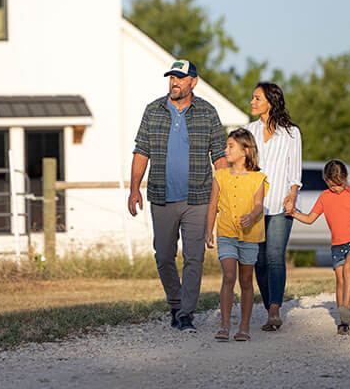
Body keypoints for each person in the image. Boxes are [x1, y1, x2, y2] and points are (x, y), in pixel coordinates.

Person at [128, 59, 228, 333]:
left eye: (180, 78)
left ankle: (185, 314)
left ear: (193, 82)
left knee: (194, 258)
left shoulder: (208, 112)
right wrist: (134, 188)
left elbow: (219, 156)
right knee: (163, 255)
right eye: (172, 77)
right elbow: (141, 151)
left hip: (198, 198)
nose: (174, 82)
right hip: (161, 196)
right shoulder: (154, 110)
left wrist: (226, 194)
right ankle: (175, 302)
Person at [290, 159, 350, 334]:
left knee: (348, 268)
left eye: (339, 185)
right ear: (326, 181)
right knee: (339, 280)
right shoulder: (324, 197)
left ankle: (346, 308)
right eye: (332, 186)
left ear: (346, 178)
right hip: (337, 245)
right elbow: (309, 219)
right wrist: (294, 213)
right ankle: (342, 322)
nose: (336, 189)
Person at [242, 82, 302, 331]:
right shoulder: (247, 131)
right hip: (254, 206)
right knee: (259, 260)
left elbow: (294, 169)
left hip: (279, 204)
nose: (252, 102)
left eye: (257, 98)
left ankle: (275, 310)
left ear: (270, 102)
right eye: (252, 98)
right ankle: (269, 308)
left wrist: (292, 195)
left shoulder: (291, 133)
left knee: (275, 257)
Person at [206, 129, 269, 342]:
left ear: (246, 150)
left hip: (250, 236)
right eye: (226, 146)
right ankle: (224, 325)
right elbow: (213, 205)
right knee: (229, 276)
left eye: (231, 146)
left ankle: (244, 326)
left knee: (246, 280)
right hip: (226, 234)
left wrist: (251, 216)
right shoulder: (220, 176)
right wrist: (209, 231)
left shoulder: (257, 178)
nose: (226, 150)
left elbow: (259, 204)